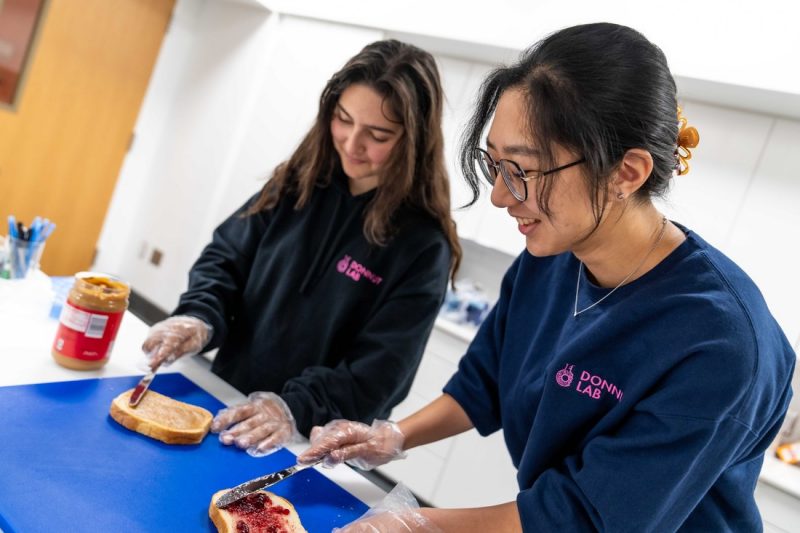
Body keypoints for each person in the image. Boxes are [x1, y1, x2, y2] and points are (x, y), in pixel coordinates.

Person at [298, 23, 796, 532]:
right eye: (494, 164)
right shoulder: (553, 254)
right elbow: (486, 381)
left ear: (626, 173)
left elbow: (584, 516)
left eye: (522, 170)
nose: (499, 195)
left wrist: (409, 524)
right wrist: (393, 437)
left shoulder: (723, 343)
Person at [141, 39, 462, 457]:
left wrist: (291, 408)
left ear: (413, 140)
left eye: (378, 134)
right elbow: (225, 259)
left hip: (302, 443)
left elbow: (381, 371)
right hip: (220, 399)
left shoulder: (422, 246)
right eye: (343, 119)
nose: (351, 143)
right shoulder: (298, 183)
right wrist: (199, 315)